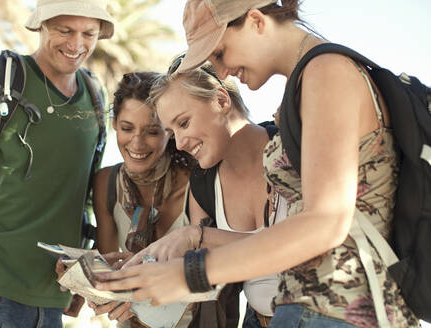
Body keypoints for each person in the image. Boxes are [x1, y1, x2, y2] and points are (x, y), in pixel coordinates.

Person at [93, 1, 421, 327]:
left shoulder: (327, 71)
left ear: (255, 21)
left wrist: (188, 273)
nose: (220, 72)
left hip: (338, 314)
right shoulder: (309, 80)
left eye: (220, 53)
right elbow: (289, 238)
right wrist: (157, 267)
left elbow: (325, 223)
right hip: (309, 311)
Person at [0, 0, 114, 326]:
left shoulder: (94, 95)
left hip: (49, 306)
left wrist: (80, 275)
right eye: (65, 30)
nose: (76, 45)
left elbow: (84, 196)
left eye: (88, 33)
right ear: (42, 25)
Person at [119, 61, 287, 328]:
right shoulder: (203, 185)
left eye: (184, 123)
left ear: (221, 100)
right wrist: (132, 285)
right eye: (172, 132)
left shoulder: (294, 150)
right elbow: (203, 280)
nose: (181, 142)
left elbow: (314, 242)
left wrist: (198, 235)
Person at [89, 72, 195, 327]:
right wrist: (80, 273)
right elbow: (110, 268)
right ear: (114, 123)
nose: (137, 143)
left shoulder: (197, 184)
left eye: (152, 131)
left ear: (169, 130)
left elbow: (215, 272)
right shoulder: (106, 184)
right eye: (127, 128)